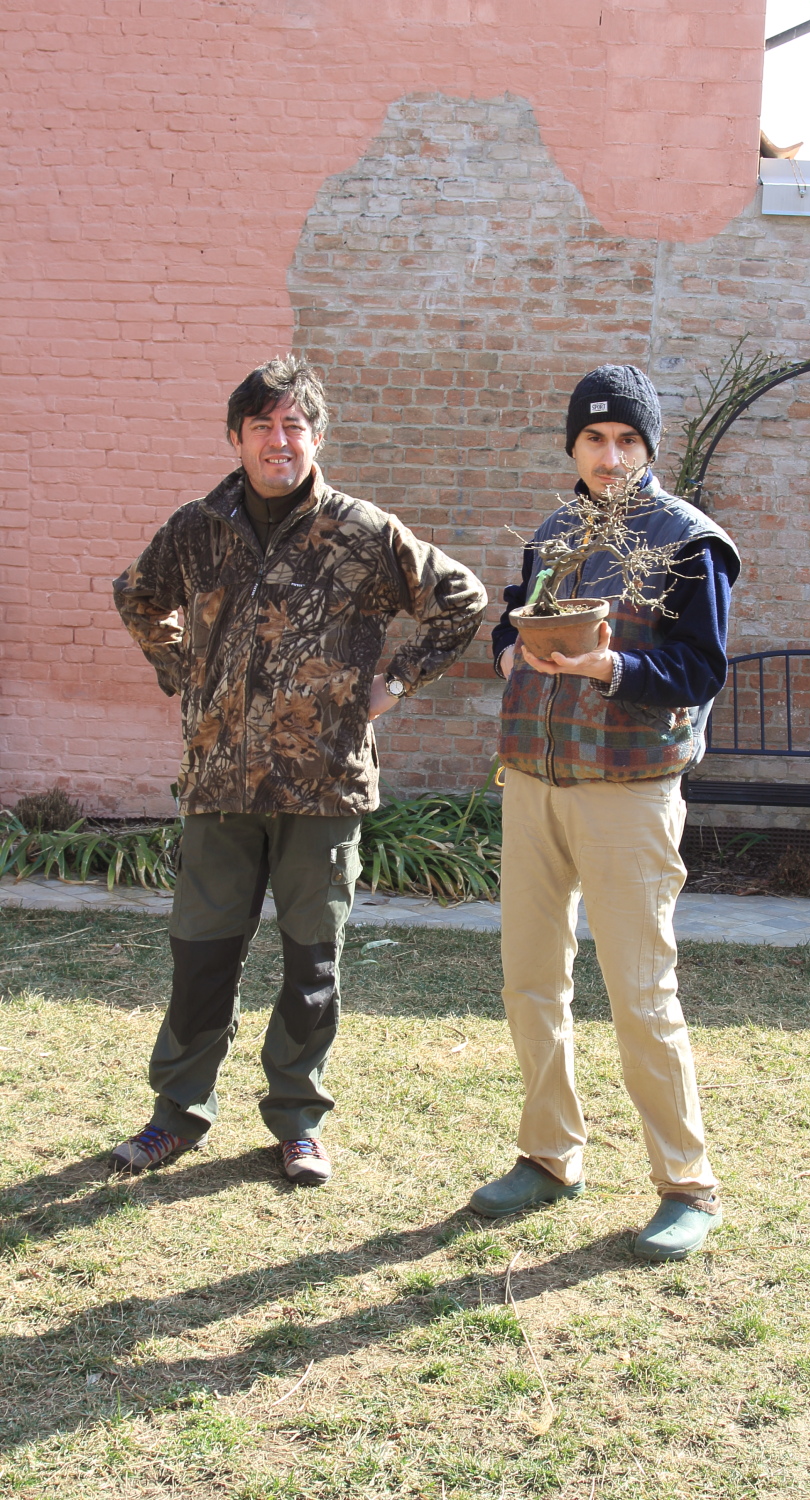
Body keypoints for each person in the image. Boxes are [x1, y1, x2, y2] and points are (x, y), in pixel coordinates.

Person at [110, 356, 487, 1184]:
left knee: (312, 965)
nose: (278, 441)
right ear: (236, 438)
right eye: (262, 426)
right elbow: (138, 595)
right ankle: (178, 1113)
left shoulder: (363, 531)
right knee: (202, 957)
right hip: (219, 783)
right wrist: (186, 673)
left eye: (294, 425)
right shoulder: (197, 529)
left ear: (317, 437)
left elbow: (461, 598)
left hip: (324, 785)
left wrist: (394, 684)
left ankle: (298, 1120)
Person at [470, 364, 740, 1260]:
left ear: (649, 447)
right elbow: (516, 620)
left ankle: (687, 1184)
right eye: (594, 439)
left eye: (627, 440)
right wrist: (511, 651)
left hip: (628, 792)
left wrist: (608, 668)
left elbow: (700, 670)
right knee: (529, 981)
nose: (610, 456)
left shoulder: (689, 542)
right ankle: (550, 1155)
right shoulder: (553, 532)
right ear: (573, 447)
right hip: (534, 783)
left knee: (641, 993)